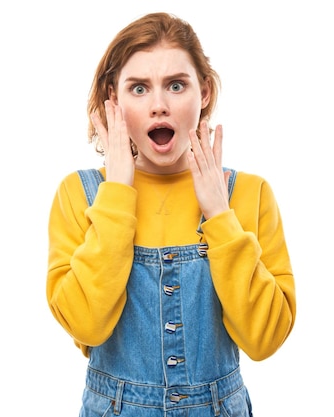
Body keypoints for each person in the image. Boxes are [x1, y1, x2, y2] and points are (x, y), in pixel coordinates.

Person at [46, 12, 296, 416]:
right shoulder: (81, 195)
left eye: (176, 85)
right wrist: (117, 193)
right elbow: (85, 324)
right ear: (114, 99)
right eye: (139, 88)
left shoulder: (249, 194)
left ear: (206, 93)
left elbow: (264, 339)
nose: (159, 106)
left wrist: (219, 213)